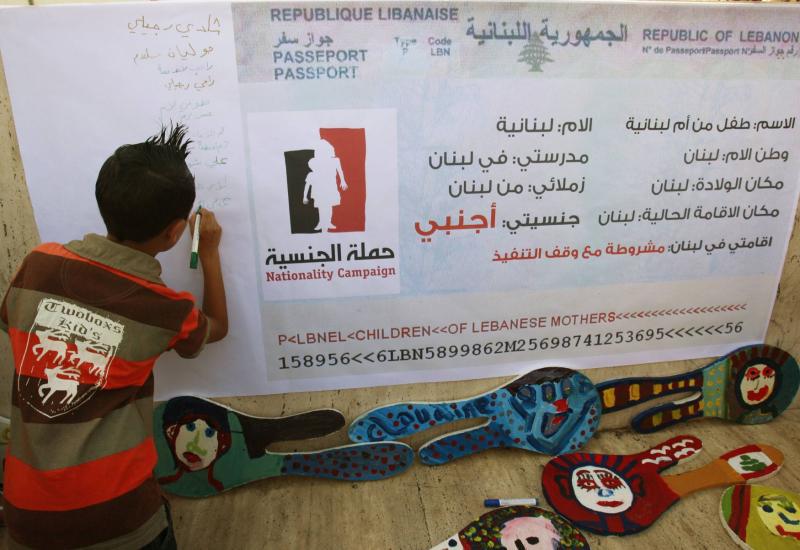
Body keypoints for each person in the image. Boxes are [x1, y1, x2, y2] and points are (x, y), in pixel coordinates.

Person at [0, 124, 228, 549]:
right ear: (177, 232)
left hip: (25, 513)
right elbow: (217, 327)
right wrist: (210, 254)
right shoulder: (163, 309)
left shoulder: (37, 266)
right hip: (119, 519)